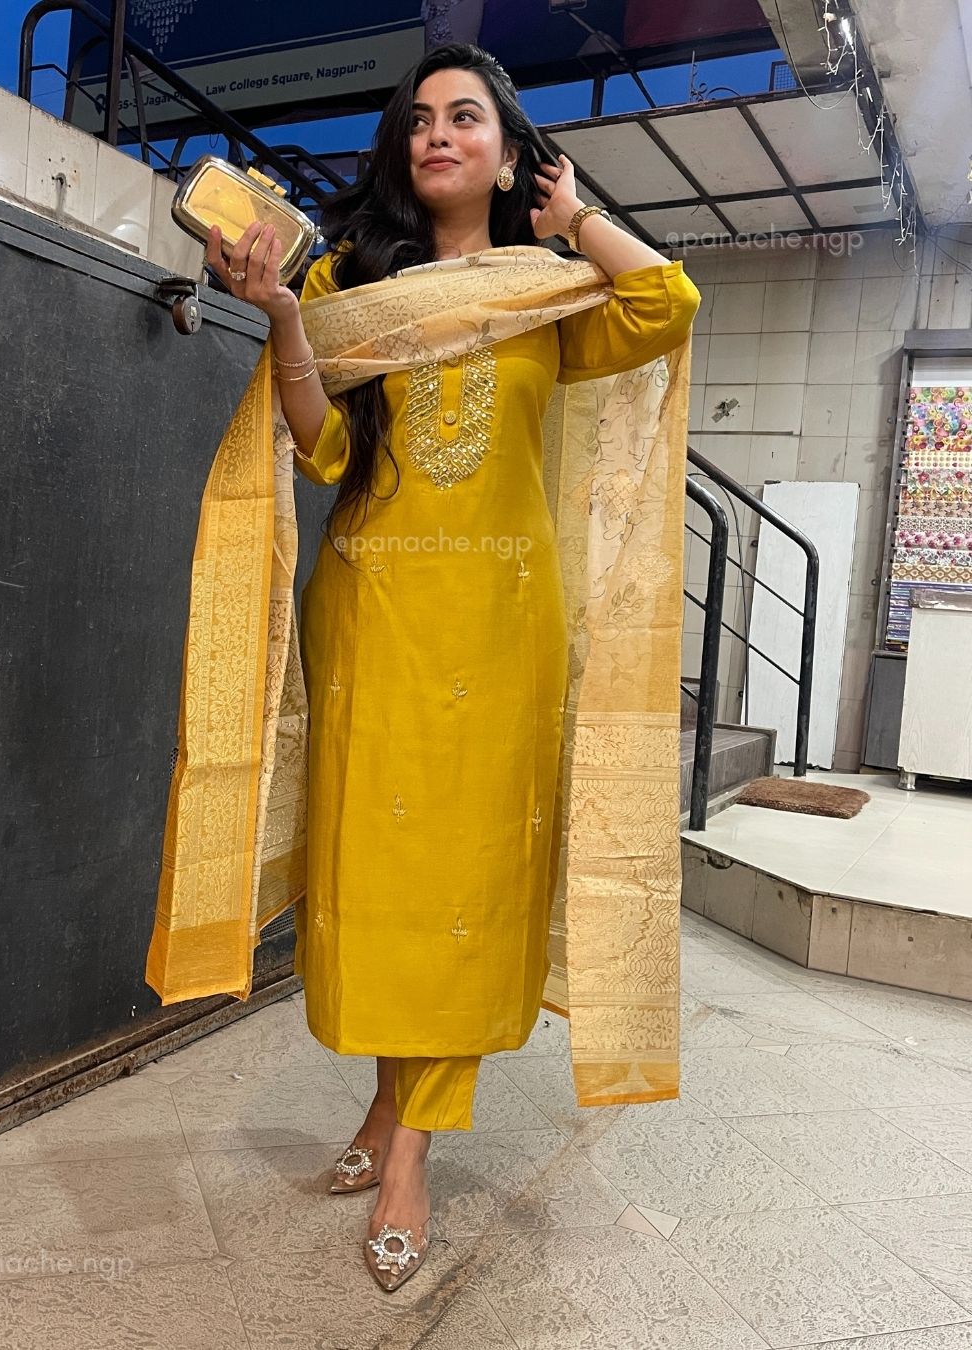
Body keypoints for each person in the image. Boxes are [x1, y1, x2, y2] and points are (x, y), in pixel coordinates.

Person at [204, 42, 700, 1292]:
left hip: (501, 627)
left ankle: (411, 1154)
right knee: (385, 881)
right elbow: (322, 450)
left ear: (509, 149)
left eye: (466, 115)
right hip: (374, 613)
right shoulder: (353, 279)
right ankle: (387, 1107)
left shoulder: (550, 293)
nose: (437, 133)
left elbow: (666, 306)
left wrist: (576, 218)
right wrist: (282, 315)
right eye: (419, 117)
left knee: (469, 887)